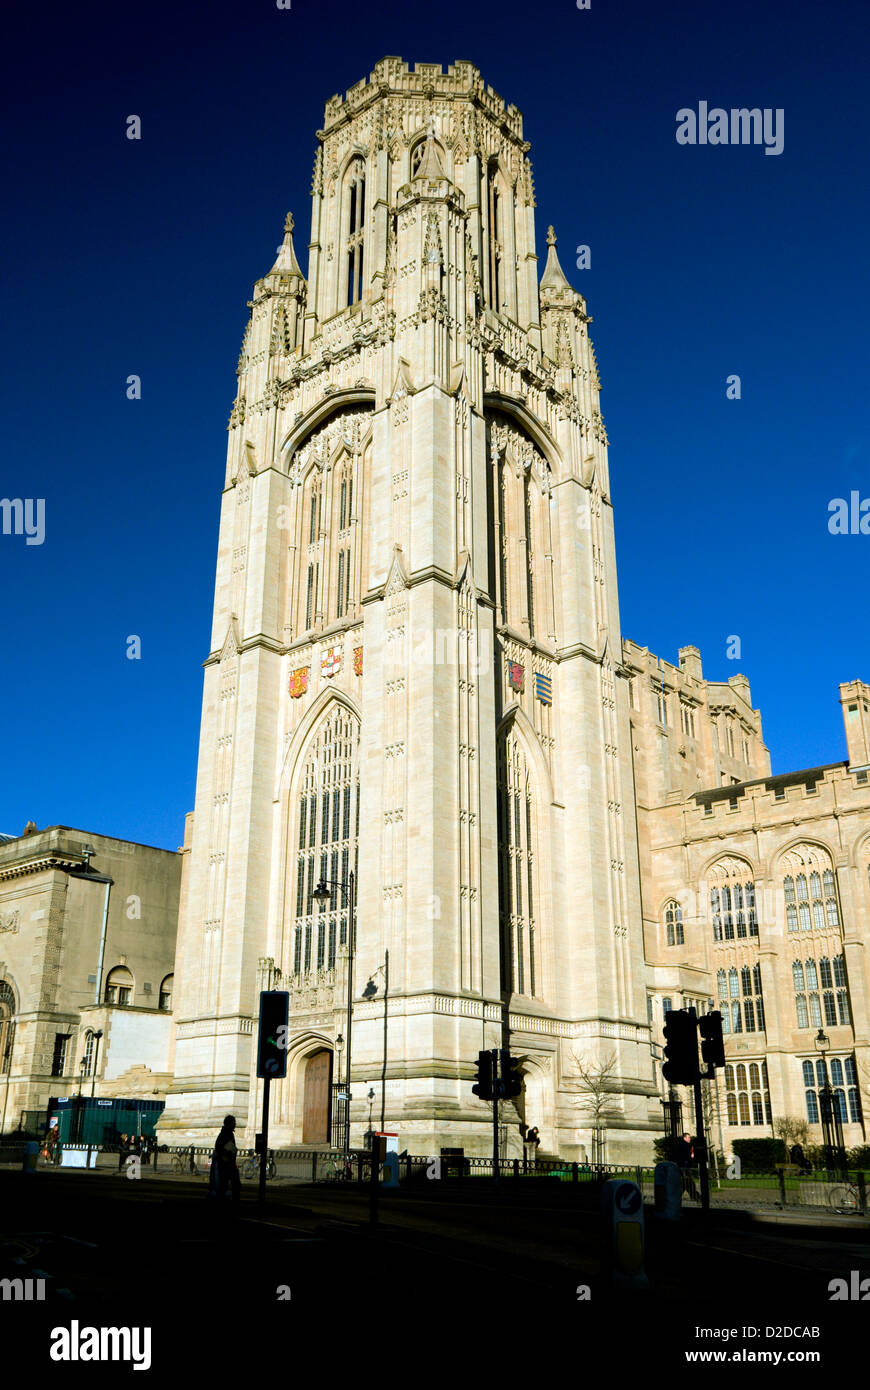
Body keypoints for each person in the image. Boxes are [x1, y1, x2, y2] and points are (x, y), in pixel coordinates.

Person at [209, 1114, 241, 1206]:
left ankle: (225, 1201)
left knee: (229, 1184)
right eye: (233, 1122)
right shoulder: (224, 1134)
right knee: (227, 1184)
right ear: (229, 1123)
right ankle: (226, 1202)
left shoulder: (228, 1133)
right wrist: (228, 1151)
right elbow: (219, 1148)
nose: (235, 1124)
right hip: (225, 1164)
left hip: (228, 1163)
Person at [675, 1132, 699, 1199]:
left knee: (685, 1183)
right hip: (684, 1167)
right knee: (687, 1181)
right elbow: (686, 1156)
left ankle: (693, 1195)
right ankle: (694, 1195)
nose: (689, 1139)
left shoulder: (684, 1145)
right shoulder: (685, 1145)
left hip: (684, 1166)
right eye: (688, 1137)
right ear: (684, 1138)